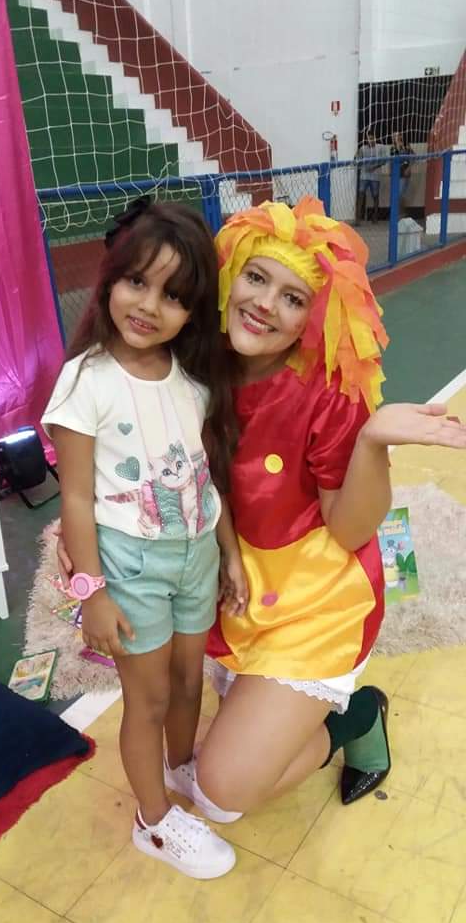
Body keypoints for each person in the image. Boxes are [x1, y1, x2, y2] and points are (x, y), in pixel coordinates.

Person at [56, 198, 466, 827]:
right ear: (227, 277)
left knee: (220, 794)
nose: (266, 304)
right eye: (256, 277)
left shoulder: (326, 393)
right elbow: (121, 460)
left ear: (315, 316)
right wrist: (83, 547)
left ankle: (357, 717)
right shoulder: (189, 358)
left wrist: (371, 442)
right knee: (204, 723)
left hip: (312, 601)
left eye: (293, 297)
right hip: (222, 580)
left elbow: (352, 529)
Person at [42, 199, 241, 880]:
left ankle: (179, 773)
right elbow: (75, 497)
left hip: (197, 554)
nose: (150, 306)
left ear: (193, 312)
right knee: (148, 699)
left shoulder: (193, 380)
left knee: (188, 682)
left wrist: (229, 553)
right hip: (131, 565)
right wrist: (91, 593)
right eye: (137, 282)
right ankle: (153, 822)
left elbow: (205, 476)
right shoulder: (86, 380)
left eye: (174, 295)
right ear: (111, 280)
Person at [355, 129, 384, 224]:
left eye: (372, 138)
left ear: (375, 138)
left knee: (375, 196)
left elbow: (384, 161)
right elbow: (357, 160)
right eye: (369, 139)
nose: (370, 140)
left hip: (375, 176)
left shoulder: (380, 148)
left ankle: (375, 217)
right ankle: (358, 218)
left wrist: (374, 167)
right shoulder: (362, 148)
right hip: (364, 176)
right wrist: (356, 157)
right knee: (360, 195)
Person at [390, 132, 415, 216]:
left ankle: (402, 213)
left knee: (400, 194)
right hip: (396, 174)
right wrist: (391, 172)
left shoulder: (406, 146)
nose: (395, 137)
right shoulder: (393, 148)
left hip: (404, 174)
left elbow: (413, 157)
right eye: (394, 136)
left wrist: (409, 168)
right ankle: (398, 213)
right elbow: (392, 161)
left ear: (401, 136)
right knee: (396, 195)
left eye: (397, 135)